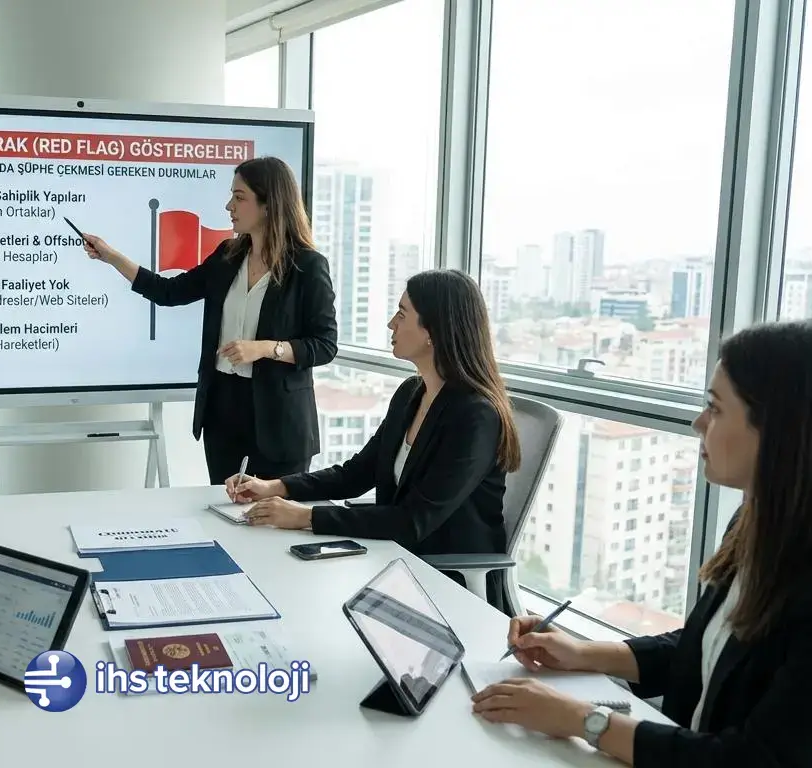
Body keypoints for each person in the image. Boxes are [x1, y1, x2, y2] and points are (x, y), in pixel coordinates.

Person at [472, 319, 812, 767]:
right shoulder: (758, 522)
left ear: (782, 430)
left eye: (715, 408)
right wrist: (582, 653)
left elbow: (761, 759)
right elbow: (704, 647)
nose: (697, 423)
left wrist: (583, 720)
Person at [228, 269, 521, 610]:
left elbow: (413, 521)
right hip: (396, 559)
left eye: (402, 314)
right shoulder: (412, 393)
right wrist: (275, 487)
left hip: (446, 580)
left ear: (433, 331)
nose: (391, 324)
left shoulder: (475, 416)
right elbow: (356, 474)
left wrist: (305, 518)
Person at [79, 156, 338, 484]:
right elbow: (168, 292)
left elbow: (325, 344)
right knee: (223, 506)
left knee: (273, 512)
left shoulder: (308, 266)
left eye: (239, 197)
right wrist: (112, 257)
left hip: (280, 422)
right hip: (223, 411)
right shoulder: (228, 256)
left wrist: (265, 349)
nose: (229, 206)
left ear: (269, 205)